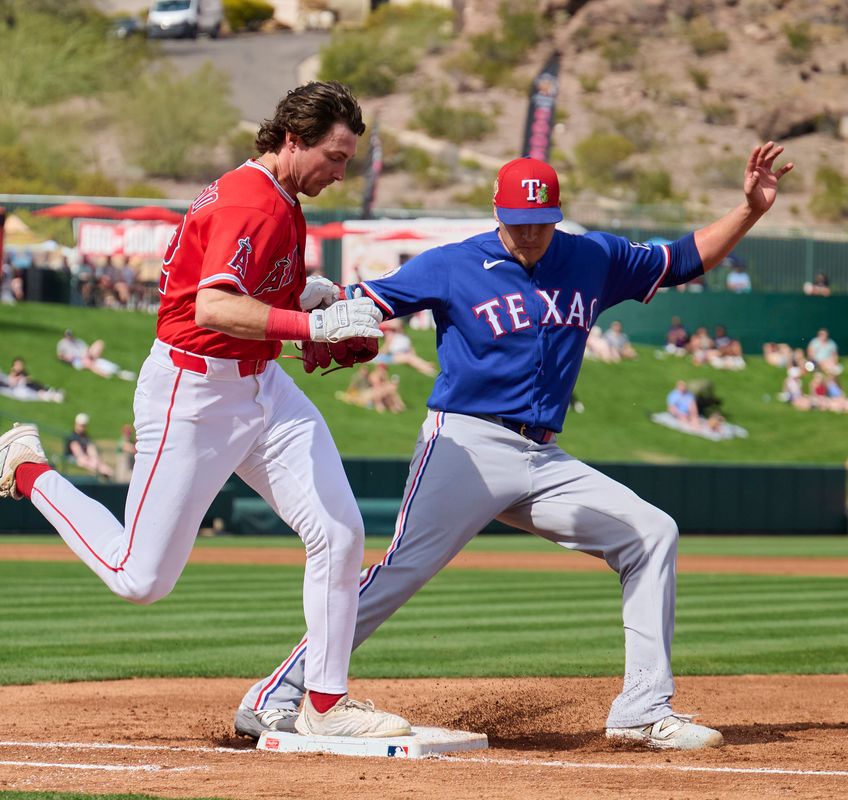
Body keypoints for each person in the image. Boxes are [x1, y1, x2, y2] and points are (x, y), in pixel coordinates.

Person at [235, 142, 795, 751]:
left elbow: (683, 259)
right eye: (518, 221)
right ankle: (278, 696)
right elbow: (367, 304)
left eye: (542, 222)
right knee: (401, 571)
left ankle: (642, 709)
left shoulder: (592, 256)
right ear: (496, 213)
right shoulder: (453, 264)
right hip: (465, 445)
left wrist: (750, 211)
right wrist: (327, 305)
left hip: (544, 457)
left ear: (557, 216)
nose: (530, 233)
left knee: (651, 532)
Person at [0, 81, 409, 740]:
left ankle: (325, 703)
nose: (341, 171)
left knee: (338, 533)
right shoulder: (254, 204)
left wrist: (306, 296)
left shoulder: (271, 195)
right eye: (334, 156)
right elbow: (213, 308)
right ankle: (25, 470)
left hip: (260, 387)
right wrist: (313, 329)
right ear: (294, 137)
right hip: (195, 395)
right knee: (141, 580)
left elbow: (235, 289)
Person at [64, 413, 113, 479]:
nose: (82, 427)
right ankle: (98, 473)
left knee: (107, 469)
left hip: (88, 459)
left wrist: (94, 458)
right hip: (75, 459)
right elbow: (78, 453)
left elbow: (91, 449)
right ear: (76, 424)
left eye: (84, 425)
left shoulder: (86, 437)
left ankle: (105, 474)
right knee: (86, 459)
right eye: (81, 425)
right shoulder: (72, 437)